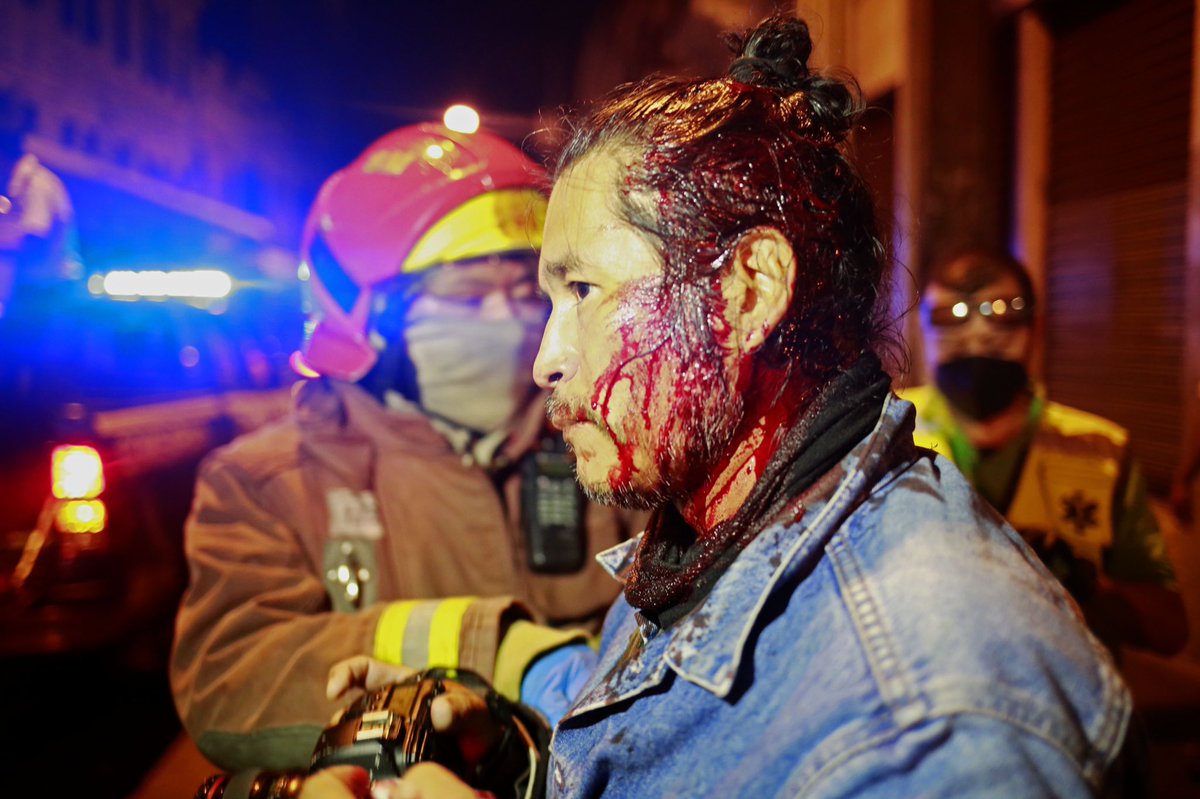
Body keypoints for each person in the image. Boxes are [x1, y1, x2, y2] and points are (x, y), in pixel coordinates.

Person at [307, 14, 1136, 799]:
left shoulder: (926, 723)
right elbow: (665, 718)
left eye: (583, 290)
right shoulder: (719, 527)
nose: (544, 359)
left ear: (746, 293)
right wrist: (509, 732)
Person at [169, 123, 642, 772]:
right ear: (367, 316)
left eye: (525, 291)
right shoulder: (266, 482)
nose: (509, 319)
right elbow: (231, 674)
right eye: (469, 294)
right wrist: (494, 649)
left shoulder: (607, 447)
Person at [901, 250, 1187, 656]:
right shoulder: (885, 431)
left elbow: (1170, 629)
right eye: (950, 315)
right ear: (920, 330)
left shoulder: (1101, 451)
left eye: (1002, 312)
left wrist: (1087, 587)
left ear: (1037, 328)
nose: (977, 336)